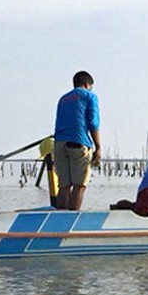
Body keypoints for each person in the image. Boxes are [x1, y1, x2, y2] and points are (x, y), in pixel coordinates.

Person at [53, 70, 101, 210]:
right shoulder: (90, 96)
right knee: (79, 186)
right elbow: (93, 122)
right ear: (87, 84)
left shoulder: (63, 99)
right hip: (78, 143)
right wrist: (98, 147)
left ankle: (59, 218)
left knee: (64, 186)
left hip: (59, 143)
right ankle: (72, 220)